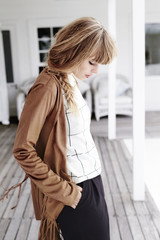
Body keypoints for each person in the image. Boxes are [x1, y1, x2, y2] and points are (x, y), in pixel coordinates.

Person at [11, 17, 116, 240]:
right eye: (92, 62)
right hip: (74, 190)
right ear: (75, 52)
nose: (96, 70)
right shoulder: (47, 86)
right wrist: (65, 192)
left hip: (92, 182)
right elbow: (22, 149)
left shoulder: (70, 79)